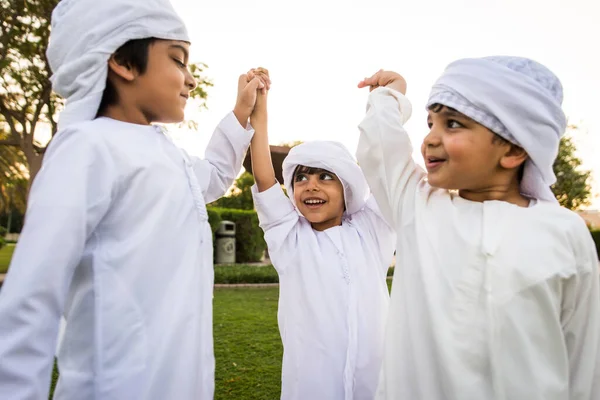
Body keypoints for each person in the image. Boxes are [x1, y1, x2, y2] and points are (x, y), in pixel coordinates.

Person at [0, 0, 269, 398]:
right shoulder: (89, 148)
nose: (191, 80)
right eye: (178, 60)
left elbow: (211, 177)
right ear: (124, 62)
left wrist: (241, 111)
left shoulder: (166, 154)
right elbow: (32, 299)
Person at [356, 58, 600, 399]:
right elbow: (380, 147)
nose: (429, 140)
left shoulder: (564, 231)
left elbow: (583, 354)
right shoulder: (419, 208)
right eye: (430, 123)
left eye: (452, 124)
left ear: (514, 148)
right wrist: (389, 96)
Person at [248, 68, 396, 399]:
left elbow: (385, 163)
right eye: (301, 177)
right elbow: (263, 176)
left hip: (375, 387)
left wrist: (385, 102)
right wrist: (260, 106)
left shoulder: (371, 231)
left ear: (346, 187)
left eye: (324, 177)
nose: (310, 185)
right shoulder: (289, 238)